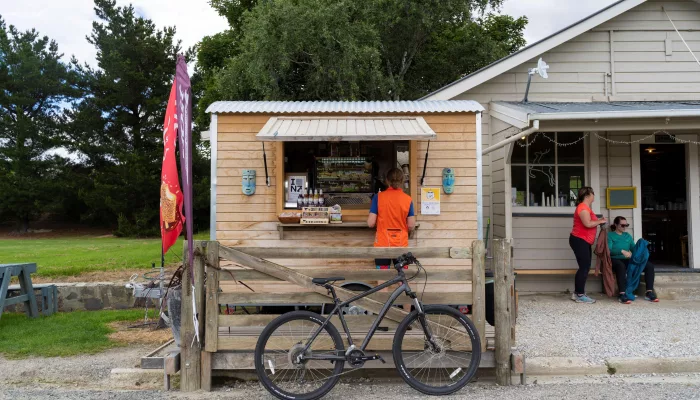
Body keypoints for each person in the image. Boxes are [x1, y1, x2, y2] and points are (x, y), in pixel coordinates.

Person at [569, 187, 607, 303]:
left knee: (585, 267)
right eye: (593, 194)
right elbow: (587, 224)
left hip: (584, 241)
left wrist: (599, 221)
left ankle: (578, 293)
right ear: (587, 195)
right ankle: (579, 295)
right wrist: (600, 221)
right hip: (579, 240)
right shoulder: (583, 208)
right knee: (584, 267)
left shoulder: (586, 208)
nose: (594, 196)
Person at [608, 216, 659, 303]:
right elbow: (609, 250)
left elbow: (633, 249)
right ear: (616, 225)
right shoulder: (610, 235)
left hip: (627, 259)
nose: (624, 227)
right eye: (622, 225)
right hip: (615, 259)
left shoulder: (627, 236)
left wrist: (641, 248)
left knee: (649, 266)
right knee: (621, 266)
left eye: (626, 225)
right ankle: (622, 294)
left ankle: (649, 292)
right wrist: (621, 251)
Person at [367, 168, 416, 248]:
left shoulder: (378, 197)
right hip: (401, 242)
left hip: (382, 242)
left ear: (387, 180)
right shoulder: (408, 199)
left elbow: (370, 223)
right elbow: (411, 225)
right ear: (402, 180)